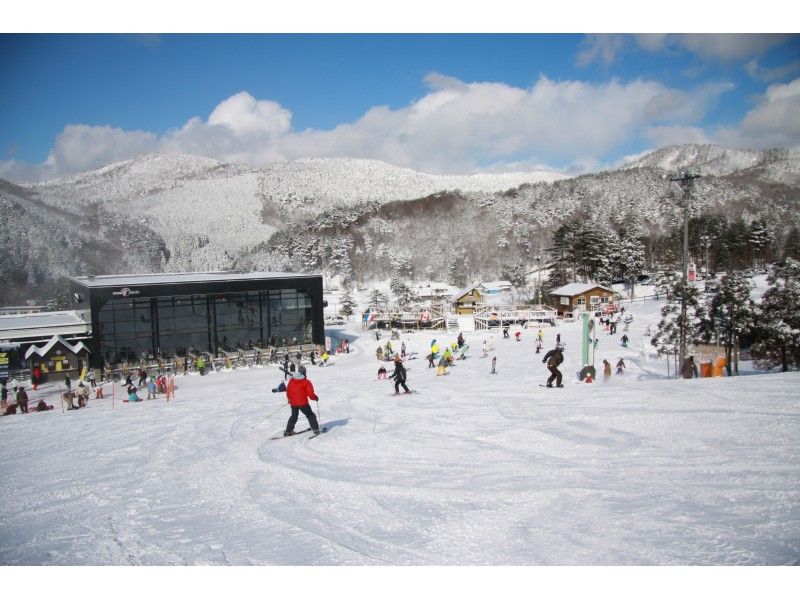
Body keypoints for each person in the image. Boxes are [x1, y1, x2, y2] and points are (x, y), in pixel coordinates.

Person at [284, 365, 320, 436]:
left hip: (293, 403)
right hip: (303, 403)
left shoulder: (292, 380)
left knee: (294, 416)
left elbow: (288, 391)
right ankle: (315, 429)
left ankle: (288, 431)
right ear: (304, 373)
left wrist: (289, 399)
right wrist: (315, 397)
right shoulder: (306, 382)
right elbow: (310, 394)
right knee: (310, 415)